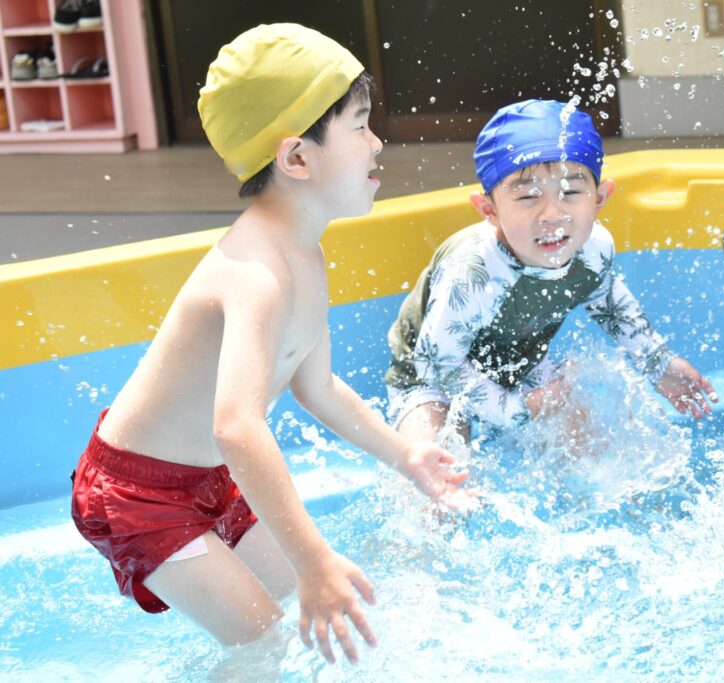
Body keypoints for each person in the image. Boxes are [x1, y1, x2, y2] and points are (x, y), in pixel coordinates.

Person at [70, 24, 468, 665]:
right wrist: (312, 560)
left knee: (322, 615)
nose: (377, 142)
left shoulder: (303, 254)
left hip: (206, 477)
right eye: (360, 126)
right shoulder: (257, 273)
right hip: (134, 494)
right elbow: (236, 425)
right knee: (264, 638)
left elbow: (318, 388)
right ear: (297, 159)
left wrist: (405, 455)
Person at [383, 99, 717, 445]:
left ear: (600, 199)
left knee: (586, 445)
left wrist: (659, 363)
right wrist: (518, 410)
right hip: (430, 381)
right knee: (436, 461)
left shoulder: (593, 248)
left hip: (520, 366)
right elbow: (438, 365)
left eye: (571, 192)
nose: (552, 214)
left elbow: (609, 304)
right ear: (489, 210)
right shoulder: (474, 273)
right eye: (528, 197)